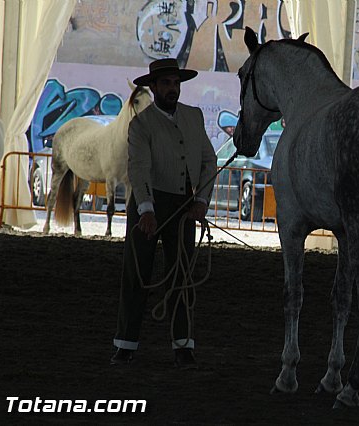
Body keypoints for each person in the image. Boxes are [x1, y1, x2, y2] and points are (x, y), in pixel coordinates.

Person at [110, 58, 217, 369]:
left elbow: (208, 162)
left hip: (184, 206)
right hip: (148, 205)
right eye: (167, 84)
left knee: (182, 275)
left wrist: (202, 202)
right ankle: (126, 344)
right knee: (137, 274)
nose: (173, 89)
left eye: (176, 83)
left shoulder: (194, 117)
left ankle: (183, 345)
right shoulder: (140, 125)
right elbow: (139, 167)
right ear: (154, 87)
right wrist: (146, 209)